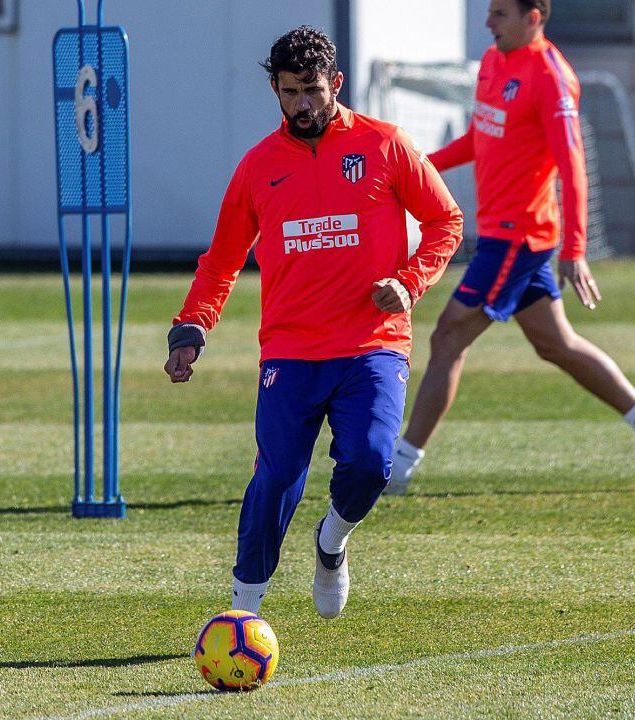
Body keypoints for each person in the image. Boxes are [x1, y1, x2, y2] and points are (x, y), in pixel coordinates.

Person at [163, 26, 463, 618]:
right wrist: (191, 329)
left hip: (371, 346)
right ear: (274, 89)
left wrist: (407, 283)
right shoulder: (258, 166)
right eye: (289, 91)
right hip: (291, 351)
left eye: (312, 90)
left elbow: (446, 222)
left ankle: (332, 541)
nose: (301, 104)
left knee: (372, 462)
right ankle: (242, 610)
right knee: (275, 480)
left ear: (337, 85)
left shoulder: (385, 145)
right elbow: (222, 258)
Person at [386, 0, 635, 496]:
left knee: (447, 337)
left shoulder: (550, 76)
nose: (488, 22)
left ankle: (399, 466)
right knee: (556, 344)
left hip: (515, 237)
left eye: (500, 13)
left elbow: (572, 163)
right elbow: (481, 138)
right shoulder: (494, 60)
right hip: (510, 237)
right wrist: (421, 168)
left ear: (534, 17)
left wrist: (577, 247)